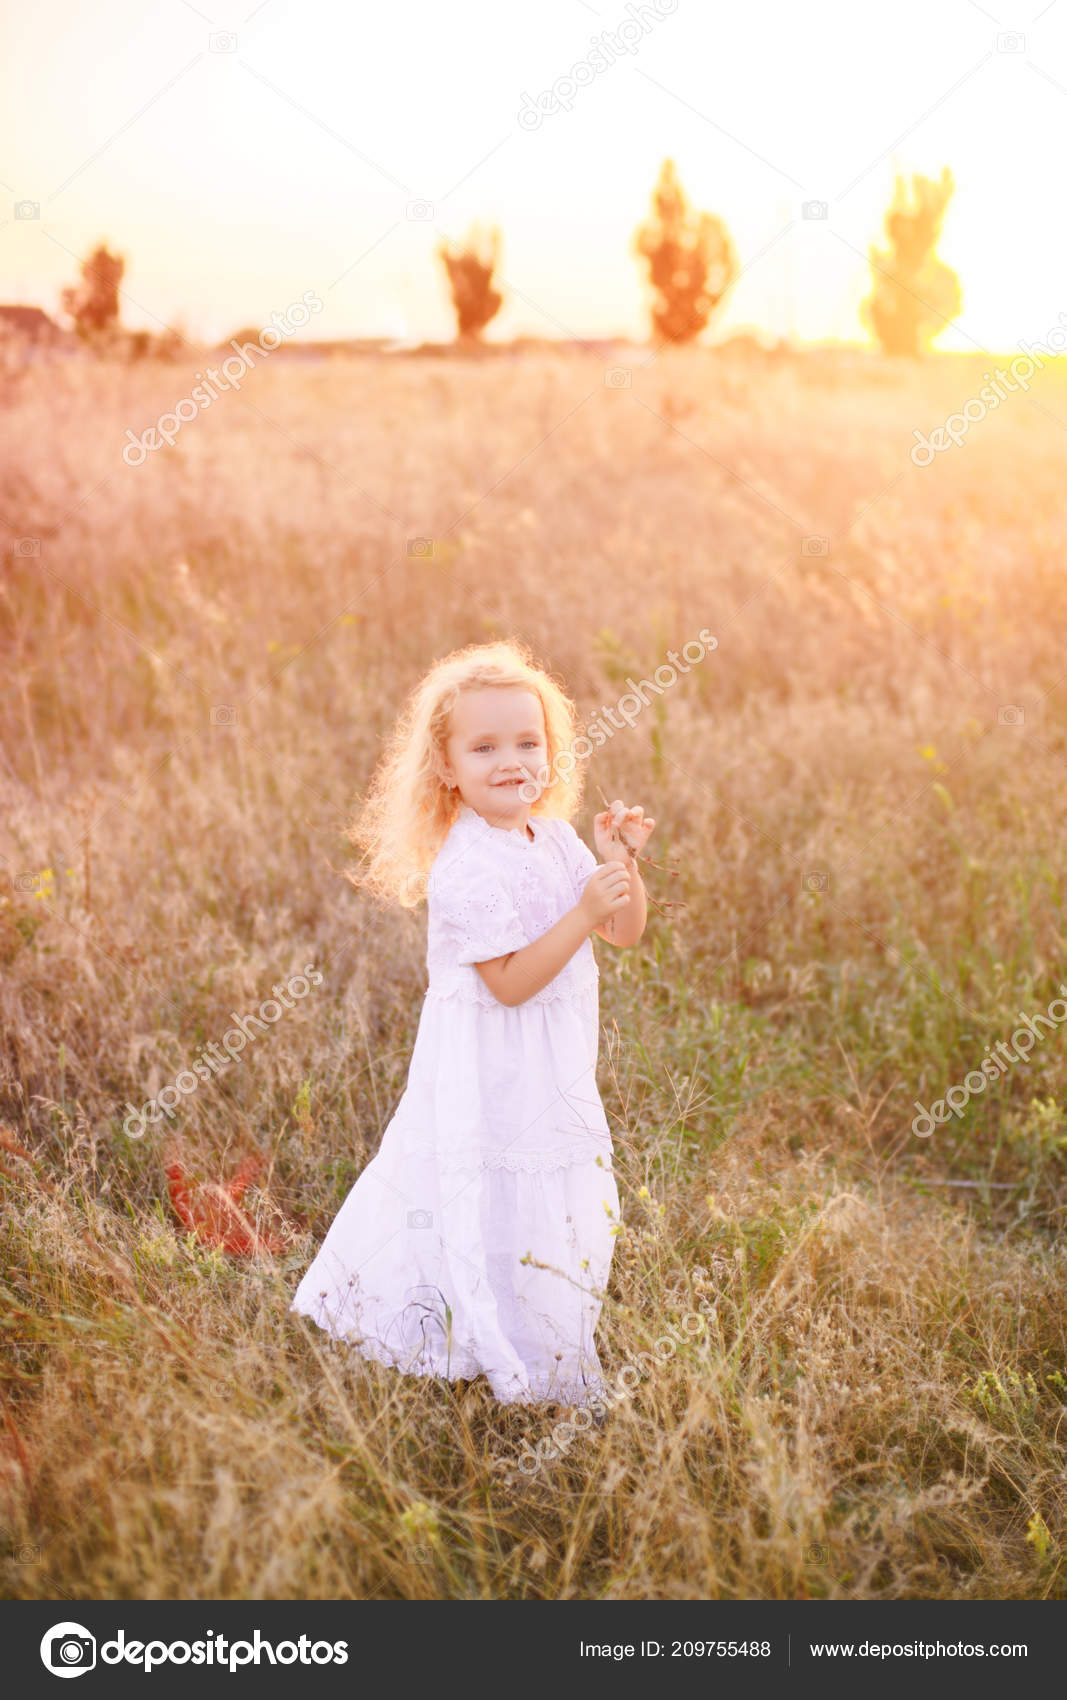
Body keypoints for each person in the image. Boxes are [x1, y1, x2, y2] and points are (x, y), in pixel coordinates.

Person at [290, 638, 655, 1406]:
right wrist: (583, 913)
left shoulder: (553, 837)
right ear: (446, 767)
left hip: (549, 1064)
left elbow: (624, 932)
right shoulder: (465, 867)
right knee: (463, 1176)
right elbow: (513, 983)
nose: (511, 760)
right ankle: (429, 1317)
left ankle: (534, 1312)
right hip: (487, 1060)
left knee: (540, 1182)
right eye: (484, 746)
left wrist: (620, 865)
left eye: (528, 742)